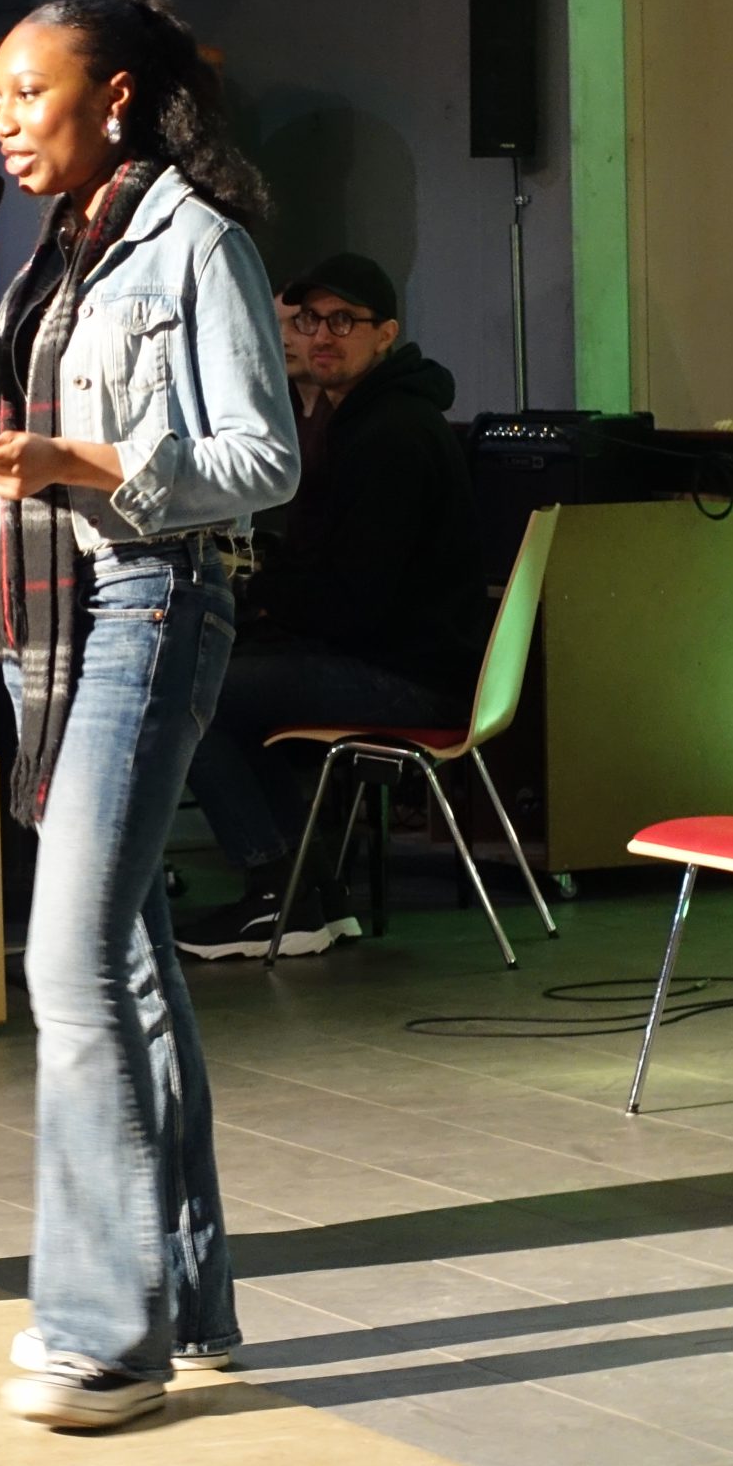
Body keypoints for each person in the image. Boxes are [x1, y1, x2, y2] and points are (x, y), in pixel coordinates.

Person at [0, 0, 296, 1429]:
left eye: (31, 94)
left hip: (151, 600)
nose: (5, 126)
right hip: (52, 617)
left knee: (70, 957)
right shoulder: (51, 251)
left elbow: (263, 458)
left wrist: (83, 461)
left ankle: (102, 1339)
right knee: (128, 961)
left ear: (118, 96)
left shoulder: (196, 240)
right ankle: (189, 1308)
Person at [175, 254, 484, 960]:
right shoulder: (366, 419)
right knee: (221, 678)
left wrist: (258, 591)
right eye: (311, 319)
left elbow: (355, 604)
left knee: (192, 692)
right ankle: (311, 895)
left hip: (410, 678)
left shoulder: (391, 435)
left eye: (343, 321)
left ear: (386, 335)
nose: (321, 336)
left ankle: (274, 894)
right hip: (398, 658)